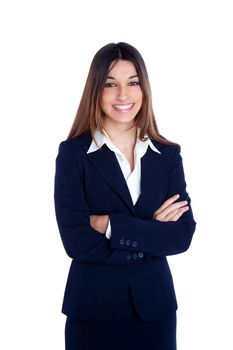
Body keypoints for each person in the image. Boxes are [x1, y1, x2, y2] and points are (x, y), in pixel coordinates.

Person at [54, 42, 196, 350]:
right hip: (92, 310)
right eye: (110, 84)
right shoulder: (74, 154)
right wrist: (150, 234)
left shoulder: (167, 155)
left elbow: (181, 236)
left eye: (132, 83)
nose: (123, 95)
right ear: (95, 90)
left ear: (144, 89)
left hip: (155, 311)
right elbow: (75, 241)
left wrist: (110, 226)